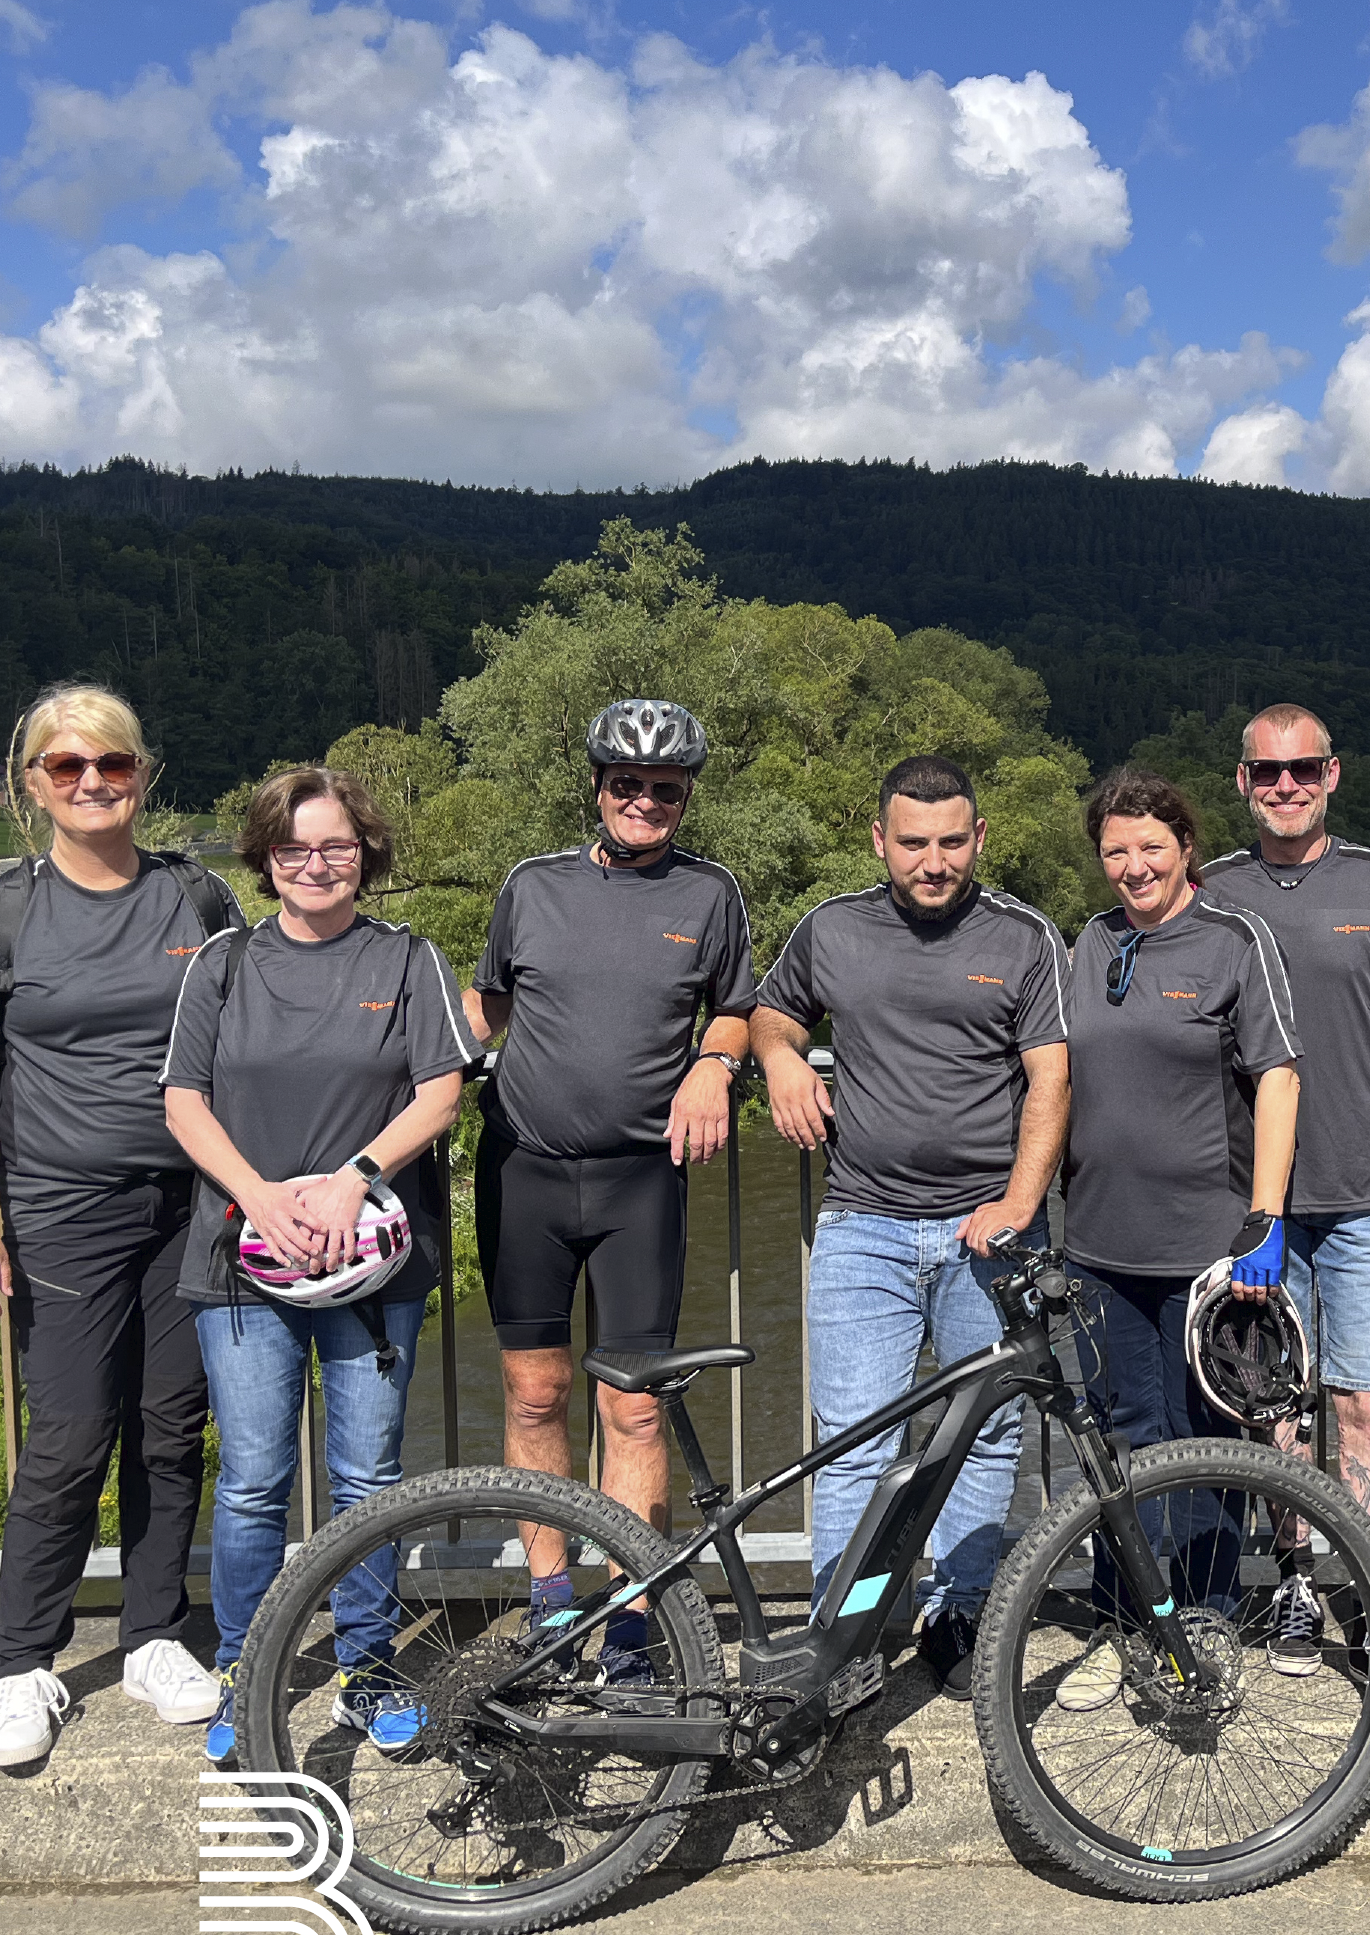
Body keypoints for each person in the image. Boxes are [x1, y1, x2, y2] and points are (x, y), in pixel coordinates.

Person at [163, 767, 475, 1761]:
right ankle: (245, 1672)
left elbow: (440, 1091)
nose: (315, 864)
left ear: (364, 851)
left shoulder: (408, 956)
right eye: (293, 848)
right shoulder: (222, 964)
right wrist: (258, 1195)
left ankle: (367, 1668)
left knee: (367, 1477)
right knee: (253, 1479)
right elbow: (182, 1100)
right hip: (243, 1264)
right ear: (266, 857)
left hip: (373, 1270)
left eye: (335, 845)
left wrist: (353, 1179)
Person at [749, 755, 1069, 1696]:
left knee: (987, 1434)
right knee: (854, 1441)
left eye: (952, 841)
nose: (934, 861)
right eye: (914, 842)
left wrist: (1019, 1202)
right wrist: (782, 1059)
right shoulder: (831, 927)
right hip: (863, 1226)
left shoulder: (1024, 936)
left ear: (979, 838)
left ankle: (957, 1612)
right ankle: (839, 1639)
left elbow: (1050, 1076)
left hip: (988, 1232)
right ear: (879, 840)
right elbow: (771, 1013)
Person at [463, 699, 756, 1687]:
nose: (644, 801)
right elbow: (485, 1008)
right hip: (523, 1170)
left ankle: (631, 1626)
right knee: (534, 1391)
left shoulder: (710, 892)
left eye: (665, 789)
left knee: (632, 1410)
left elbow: (737, 1007)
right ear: (596, 786)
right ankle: (552, 1608)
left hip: (640, 1180)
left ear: (686, 797)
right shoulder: (532, 885)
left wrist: (714, 1063)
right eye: (626, 783)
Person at [0, 686, 242, 1766]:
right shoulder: (12, 908)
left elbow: (255, 1029)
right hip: (58, 1206)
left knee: (170, 1423)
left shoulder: (196, 895)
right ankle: (21, 1657)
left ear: (144, 774)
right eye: (67, 765)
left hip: (192, 1206)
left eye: (113, 764)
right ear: (33, 784)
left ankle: (152, 1635)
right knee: (67, 1432)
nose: (92, 781)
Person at [1201, 703, 1370, 1719]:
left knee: (1366, 1409)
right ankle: (1295, 1586)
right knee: (1274, 1412)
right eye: (1267, 772)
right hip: (1254, 1208)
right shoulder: (1209, 890)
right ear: (1242, 780)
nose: (1285, 786)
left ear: (1332, 774)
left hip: (1358, 1200)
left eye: (1302, 769)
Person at [1055, 766, 1300, 1711]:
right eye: (1115, 850)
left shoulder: (1234, 940)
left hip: (1205, 1249)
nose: (1133, 866)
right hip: (1098, 1248)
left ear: (1186, 848)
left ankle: (1202, 1631)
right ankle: (1121, 1625)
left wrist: (1264, 1220)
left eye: (1151, 847)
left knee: (1204, 1446)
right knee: (1115, 1446)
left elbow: (1277, 1076)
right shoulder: (1090, 941)